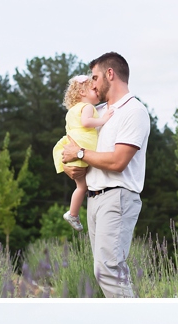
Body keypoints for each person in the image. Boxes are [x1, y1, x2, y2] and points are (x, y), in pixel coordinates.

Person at [60, 52, 151, 298]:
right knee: (105, 270)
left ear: (110, 74)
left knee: (109, 269)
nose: (93, 84)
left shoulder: (134, 111)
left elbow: (118, 161)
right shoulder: (96, 111)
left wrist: (80, 152)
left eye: (96, 77)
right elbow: (72, 145)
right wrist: (70, 165)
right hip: (95, 197)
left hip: (118, 197)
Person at [53, 75, 115, 231]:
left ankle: (73, 213)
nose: (96, 91)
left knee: (81, 186)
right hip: (81, 148)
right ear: (82, 92)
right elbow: (86, 123)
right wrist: (104, 119)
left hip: (71, 147)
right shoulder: (87, 107)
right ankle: (72, 214)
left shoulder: (71, 111)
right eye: (93, 89)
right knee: (82, 187)